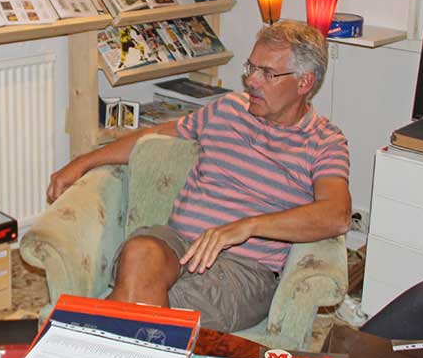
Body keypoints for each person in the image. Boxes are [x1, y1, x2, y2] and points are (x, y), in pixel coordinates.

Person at [46, 20, 351, 332]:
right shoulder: (228, 109)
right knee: (140, 253)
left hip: (243, 268)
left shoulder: (324, 142)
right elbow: (154, 136)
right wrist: (82, 162)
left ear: (304, 82)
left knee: (140, 300)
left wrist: (246, 227)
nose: (251, 81)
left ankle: (75, 340)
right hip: (177, 242)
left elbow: (336, 215)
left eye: (267, 73)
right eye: (251, 67)